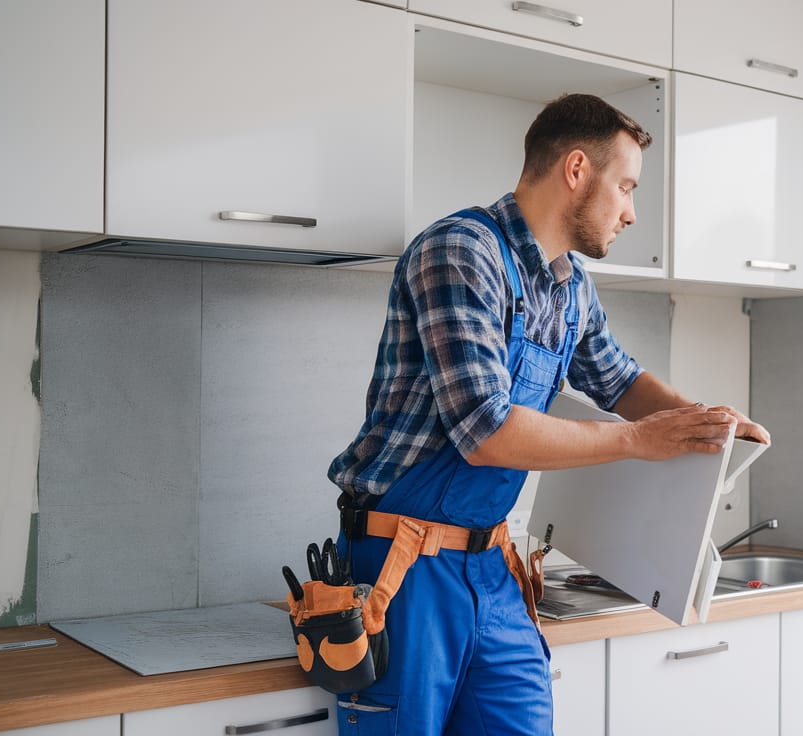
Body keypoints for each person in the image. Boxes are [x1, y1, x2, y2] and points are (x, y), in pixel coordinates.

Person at [327, 93, 769, 735]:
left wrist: (707, 422)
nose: (631, 212)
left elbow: (620, 381)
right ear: (577, 169)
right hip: (401, 568)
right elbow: (486, 432)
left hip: (490, 565)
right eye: (625, 186)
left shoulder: (570, 287)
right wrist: (642, 441)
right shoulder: (460, 251)